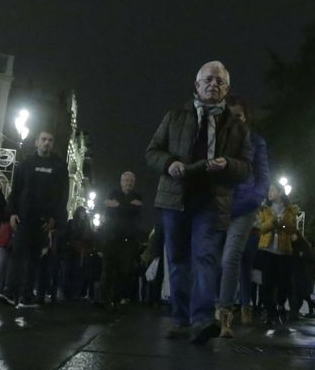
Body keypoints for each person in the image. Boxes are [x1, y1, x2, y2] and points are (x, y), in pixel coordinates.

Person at [145, 60, 252, 344]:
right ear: (197, 85)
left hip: (211, 200)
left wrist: (227, 164)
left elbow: (246, 167)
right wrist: (169, 164)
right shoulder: (175, 116)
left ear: (226, 89)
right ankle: (180, 320)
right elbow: (152, 151)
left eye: (219, 81)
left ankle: (203, 318)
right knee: (178, 259)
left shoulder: (236, 126)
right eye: (208, 80)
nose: (213, 85)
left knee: (205, 257)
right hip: (175, 196)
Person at [0, 130, 70, 308]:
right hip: (24, 217)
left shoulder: (60, 166)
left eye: (50, 140)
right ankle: (10, 292)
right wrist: (12, 212)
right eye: (44, 140)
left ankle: (27, 294)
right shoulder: (27, 163)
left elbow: (63, 196)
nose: (47, 143)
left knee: (34, 259)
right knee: (17, 255)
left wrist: (55, 219)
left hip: (44, 221)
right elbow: (16, 189)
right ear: (37, 142)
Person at [216, 94, 269, 337]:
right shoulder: (216, 140)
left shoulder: (257, 142)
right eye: (230, 115)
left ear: (246, 118)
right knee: (210, 258)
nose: (234, 120)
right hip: (217, 204)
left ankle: (224, 314)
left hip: (244, 207)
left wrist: (254, 199)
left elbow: (263, 178)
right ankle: (203, 310)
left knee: (231, 257)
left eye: (238, 116)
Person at [255, 183, 301, 327]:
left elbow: (293, 229)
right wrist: (272, 222)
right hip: (267, 250)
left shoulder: (290, 210)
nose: (269, 193)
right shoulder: (264, 209)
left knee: (283, 284)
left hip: (284, 251)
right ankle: (270, 313)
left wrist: (283, 224)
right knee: (266, 285)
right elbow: (260, 229)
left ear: (281, 192)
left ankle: (280, 305)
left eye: (273, 190)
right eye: (269, 190)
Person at [98, 170, 146, 308]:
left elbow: (135, 210)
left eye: (131, 181)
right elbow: (108, 207)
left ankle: (116, 299)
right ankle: (104, 299)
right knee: (107, 269)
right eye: (126, 180)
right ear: (121, 182)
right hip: (111, 238)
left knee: (123, 271)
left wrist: (118, 205)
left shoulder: (137, 196)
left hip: (127, 240)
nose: (128, 183)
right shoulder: (114, 194)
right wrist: (128, 206)